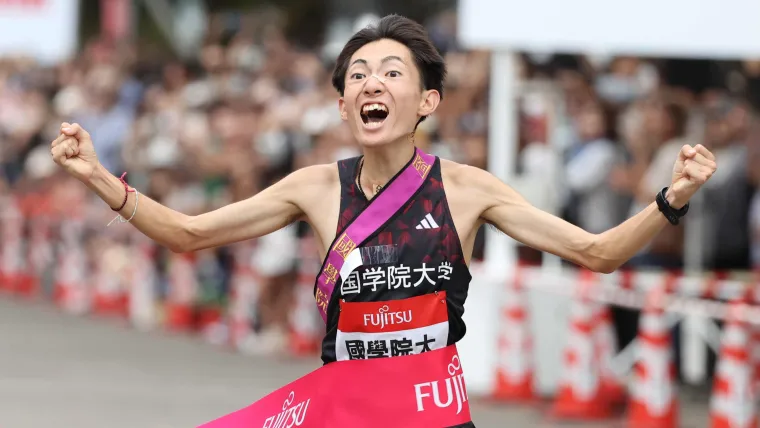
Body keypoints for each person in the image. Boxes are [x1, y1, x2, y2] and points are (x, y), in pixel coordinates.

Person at [51, 14, 717, 428]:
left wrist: (671, 198)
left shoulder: (466, 189)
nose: (372, 83)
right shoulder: (313, 188)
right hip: (343, 416)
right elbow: (189, 234)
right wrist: (99, 177)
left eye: (391, 72)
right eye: (359, 75)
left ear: (426, 99)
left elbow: (596, 252)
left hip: (435, 418)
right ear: (344, 106)